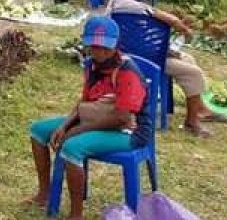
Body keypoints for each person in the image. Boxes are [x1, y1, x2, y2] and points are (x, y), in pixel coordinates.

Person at [28, 16, 151, 220]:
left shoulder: (128, 72)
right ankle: (44, 193)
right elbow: (83, 101)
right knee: (38, 130)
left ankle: (76, 215)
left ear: (115, 45)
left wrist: (78, 130)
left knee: (72, 147)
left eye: (105, 47)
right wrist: (66, 125)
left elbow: (121, 118)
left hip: (129, 131)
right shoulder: (92, 65)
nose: (100, 52)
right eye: (94, 46)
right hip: (96, 116)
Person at [107, 0, 227, 137]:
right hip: (144, 59)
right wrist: (184, 29)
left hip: (130, 54)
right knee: (194, 73)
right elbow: (168, 19)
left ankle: (199, 108)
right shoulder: (134, 7)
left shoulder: (114, 3)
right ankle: (192, 122)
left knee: (187, 58)